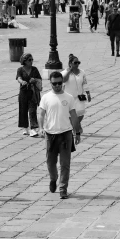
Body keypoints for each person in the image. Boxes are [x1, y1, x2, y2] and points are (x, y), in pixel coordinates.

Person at [37, 71, 80, 199]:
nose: (57, 86)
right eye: (54, 83)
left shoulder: (69, 97)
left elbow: (73, 116)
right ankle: (53, 178)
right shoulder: (46, 97)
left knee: (65, 163)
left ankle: (63, 188)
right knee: (50, 162)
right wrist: (40, 128)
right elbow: (41, 114)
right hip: (50, 134)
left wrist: (77, 132)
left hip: (66, 134)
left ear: (62, 82)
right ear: (50, 83)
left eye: (59, 83)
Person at [62, 54, 90, 134]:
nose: (77, 64)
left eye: (78, 63)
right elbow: (63, 80)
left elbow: (85, 83)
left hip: (80, 96)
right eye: (75, 63)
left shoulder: (82, 72)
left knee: (81, 113)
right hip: (69, 97)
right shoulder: (64, 72)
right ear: (70, 63)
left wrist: (88, 93)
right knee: (71, 114)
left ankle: (76, 124)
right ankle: (75, 127)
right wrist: (69, 71)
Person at [16, 53, 43, 137]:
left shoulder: (34, 69)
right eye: (29, 60)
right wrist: (22, 82)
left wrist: (34, 80)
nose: (31, 61)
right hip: (23, 92)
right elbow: (18, 78)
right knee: (23, 110)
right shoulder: (20, 69)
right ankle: (25, 127)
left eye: (32, 60)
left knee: (32, 110)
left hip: (33, 92)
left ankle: (33, 129)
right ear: (24, 61)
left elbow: (39, 79)